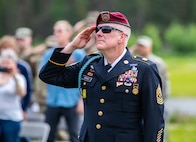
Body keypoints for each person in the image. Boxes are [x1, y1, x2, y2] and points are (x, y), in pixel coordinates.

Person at [39, 11, 165, 142]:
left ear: (121, 37)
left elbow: (154, 121)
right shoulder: (89, 64)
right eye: (97, 30)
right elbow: (48, 75)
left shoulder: (144, 69)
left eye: (106, 30)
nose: (98, 34)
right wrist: (71, 47)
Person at [39, 20, 86, 142]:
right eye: (55, 31)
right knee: (49, 134)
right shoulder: (49, 54)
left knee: (74, 134)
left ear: (69, 33)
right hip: (52, 100)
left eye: (59, 31)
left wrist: (81, 100)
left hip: (71, 100)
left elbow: (84, 78)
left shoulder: (79, 53)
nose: (56, 34)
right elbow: (43, 75)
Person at [0, 35, 34, 120]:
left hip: (14, 111)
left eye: (8, 48)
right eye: (3, 48)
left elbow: (28, 89)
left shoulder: (23, 67)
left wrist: (24, 109)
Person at [129, 35, 170, 100]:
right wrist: (131, 50)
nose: (140, 48)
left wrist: (163, 96)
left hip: (153, 94)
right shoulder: (133, 61)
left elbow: (164, 80)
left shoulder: (157, 62)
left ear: (150, 47)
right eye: (139, 46)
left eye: (143, 46)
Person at [0, 49, 26, 142]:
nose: (5, 65)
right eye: (3, 62)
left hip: (11, 118)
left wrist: (14, 76)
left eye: (8, 63)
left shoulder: (19, 78)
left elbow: (22, 93)